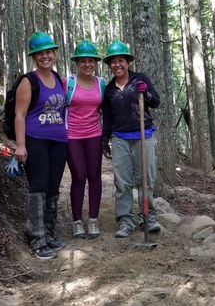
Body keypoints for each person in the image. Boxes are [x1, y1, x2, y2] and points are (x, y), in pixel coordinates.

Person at [14, 31, 68, 259]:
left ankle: (48, 232)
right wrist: (20, 145)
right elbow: (19, 114)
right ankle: (37, 238)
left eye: (49, 52)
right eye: (40, 54)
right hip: (35, 140)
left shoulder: (57, 78)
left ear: (54, 54)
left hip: (58, 140)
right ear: (34, 58)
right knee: (38, 186)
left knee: (53, 187)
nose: (46, 56)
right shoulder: (28, 81)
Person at [101, 40, 162, 238]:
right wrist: (105, 140)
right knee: (123, 182)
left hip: (143, 136)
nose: (117, 65)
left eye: (121, 60)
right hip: (120, 139)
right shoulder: (109, 89)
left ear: (127, 62)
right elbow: (108, 118)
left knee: (146, 179)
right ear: (109, 65)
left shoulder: (140, 79)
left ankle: (148, 216)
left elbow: (156, 102)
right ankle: (126, 220)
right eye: (113, 62)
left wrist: (148, 94)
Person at [64, 40, 106, 239]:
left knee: (94, 176)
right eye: (83, 61)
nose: (87, 64)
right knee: (79, 176)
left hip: (94, 135)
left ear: (96, 63)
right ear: (77, 63)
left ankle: (94, 219)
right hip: (72, 136)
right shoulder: (68, 83)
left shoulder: (101, 83)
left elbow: (107, 109)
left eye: (91, 61)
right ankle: (77, 221)